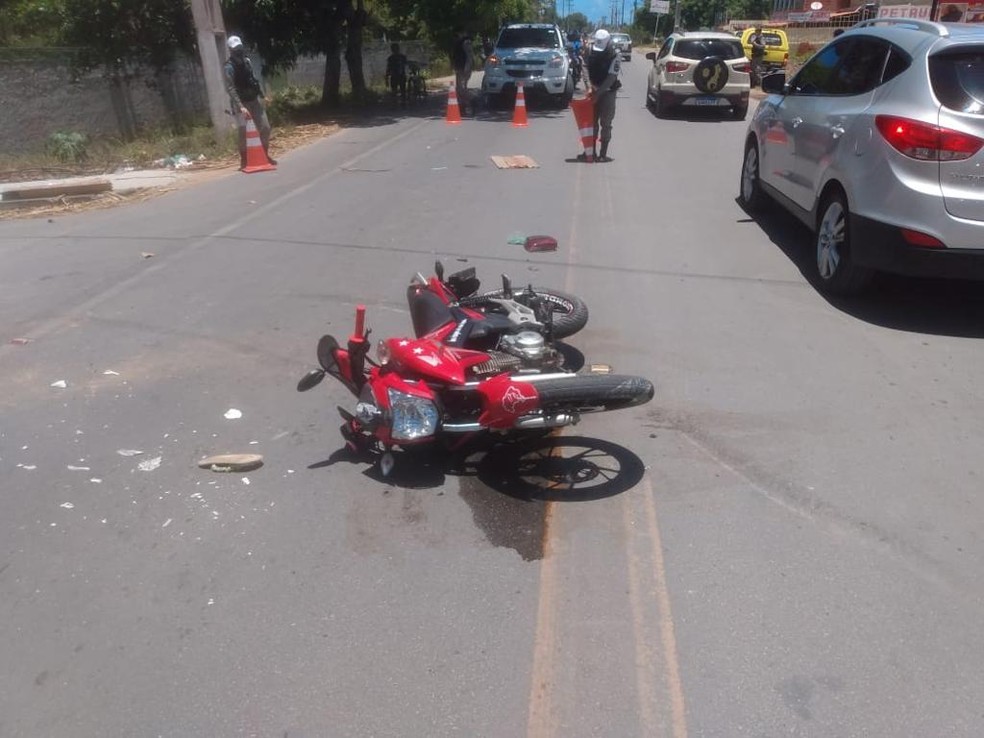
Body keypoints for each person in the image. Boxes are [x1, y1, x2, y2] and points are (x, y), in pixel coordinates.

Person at [223, 35, 276, 168]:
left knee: (265, 127)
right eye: (235, 49)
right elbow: (230, 88)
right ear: (230, 50)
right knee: (243, 131)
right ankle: (244, 159)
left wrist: (262, 95)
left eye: (239, 47)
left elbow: (253, 80)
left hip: (254, 100)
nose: (238, 50)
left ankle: (264, 155)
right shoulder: (228, 67)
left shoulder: (247, 61)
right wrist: (240, 106)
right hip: (241, 103)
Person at [584, 28, 621, 162]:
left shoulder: (615, 54)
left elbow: (611, 77)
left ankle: (603, 154)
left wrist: (598, 94)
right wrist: (589, 86)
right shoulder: (589, 50)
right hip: (593, 89)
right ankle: (590, 152)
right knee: (591, 123)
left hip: (608, 92)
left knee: (606, 123)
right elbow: (584, 66)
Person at [452, 30, 474, 115]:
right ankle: (463, 107)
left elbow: (469, 56)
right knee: (459, 88)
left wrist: (467, 68)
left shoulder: (466, 42)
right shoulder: (459, 42)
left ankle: (468, 105)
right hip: (459, 68)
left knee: (463, 88)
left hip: (463, 68)